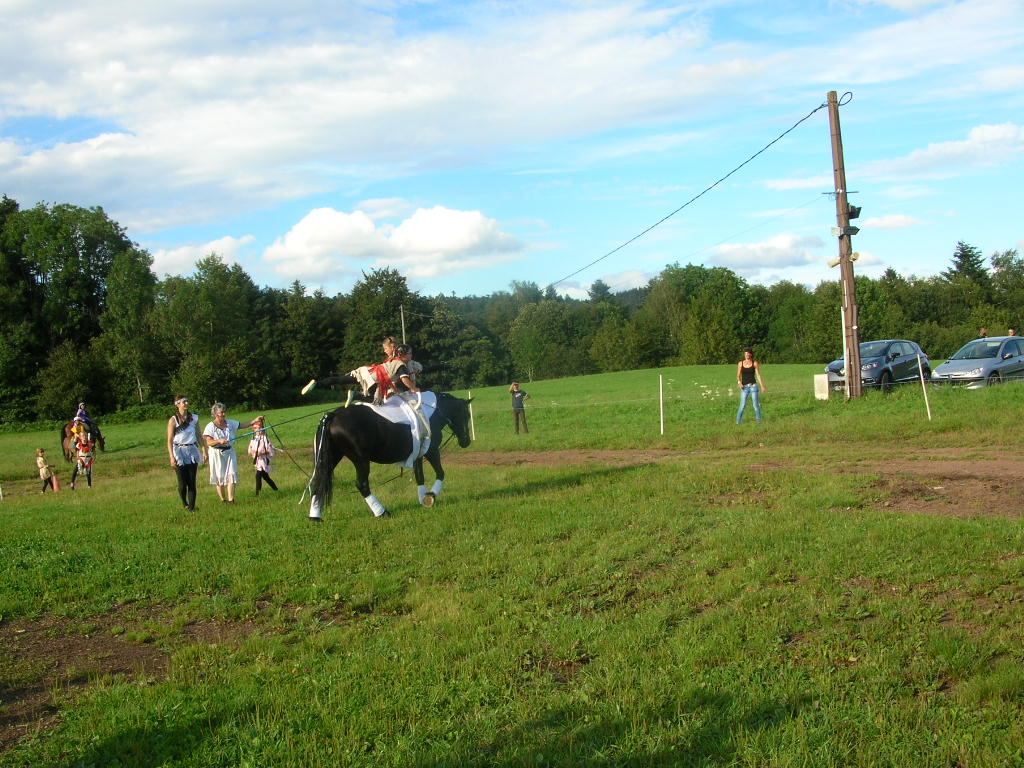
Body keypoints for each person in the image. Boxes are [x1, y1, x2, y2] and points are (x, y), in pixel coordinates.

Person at [203, 403, 263, 503]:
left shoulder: (230, 423)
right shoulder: (210, 426)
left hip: (230, 452)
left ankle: (231, 500)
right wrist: (218, 441)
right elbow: (209, 442)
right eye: (221, 412)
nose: (223, 414)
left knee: (231, 475)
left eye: (224, 412)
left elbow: (242, 425)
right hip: (216, 454)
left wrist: (255, 421)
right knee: (219, 477)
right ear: (215, 414)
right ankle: (223, 499)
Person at [167, 396, 204, 510]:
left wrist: (204, 449)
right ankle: (185, 503)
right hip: (179, 452)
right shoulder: (173, 420)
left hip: (192, 451)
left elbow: (198, 435)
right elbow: (169, 440)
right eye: (183, 402)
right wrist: (171, 457)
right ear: (177, 404)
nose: (186, 403)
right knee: (183, 484)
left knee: (192, 482)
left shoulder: (194, 418)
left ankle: (192, 508)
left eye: (187, 401)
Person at [247, 416, 279, 495]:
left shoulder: (265, 438)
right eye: (257, 429)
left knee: (258, 476)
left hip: (264, 460)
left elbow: (270, 450)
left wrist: (262, 452)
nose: (258, 430)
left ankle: (257, 494)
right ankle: (276, 489)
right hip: (258, 461)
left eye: (260, 428)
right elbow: (249, 450)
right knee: (266, 477)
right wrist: (252, 452)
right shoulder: (253, 439)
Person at [736, 349, 767, 425]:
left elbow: (758, 375)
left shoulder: (755, 363)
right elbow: (738, 375)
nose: (746, 355)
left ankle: (759, 422)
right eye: (745, 353)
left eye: (748, 353)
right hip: (744, 388)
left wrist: (762, 386)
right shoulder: (741, 363)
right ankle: (738, 422)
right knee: (742, 405)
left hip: (754, 386)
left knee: (756, 405)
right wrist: (739, 382)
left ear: (751, 355)